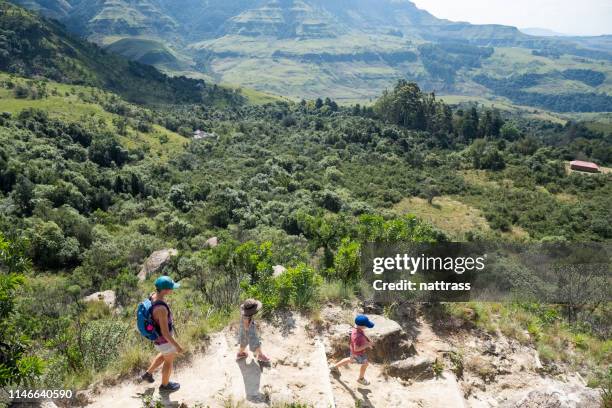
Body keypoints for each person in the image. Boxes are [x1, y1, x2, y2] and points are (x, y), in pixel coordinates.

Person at [140, 276, 184, 392]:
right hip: (164, 341)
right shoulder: (161, 309)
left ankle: (147, 374)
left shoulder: (153, 295)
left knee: (164, 355)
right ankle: (165, 386)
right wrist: (177, 346)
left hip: (158, 340)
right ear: (164, 290)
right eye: (171, 288)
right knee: (169, 361)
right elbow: (165, 332)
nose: (172, 290)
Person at [330, 314, 375, 385]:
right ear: (361, 326)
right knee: (365, 364)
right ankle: (361, 379)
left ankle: (334, 367)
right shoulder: (357, 336)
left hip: (353, 352)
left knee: (350, 359)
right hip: (358, 353)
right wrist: (367, 345)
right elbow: (356, 349)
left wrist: (367, 341)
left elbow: (363, 335)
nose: (367, 327)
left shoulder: (356, 328)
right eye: (366, 325)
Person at [236, 298, 270, 363]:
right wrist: (250, 332)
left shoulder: (245, 313)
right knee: (256, 342)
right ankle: (260, 355)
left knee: (243, 342)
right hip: (248, 331)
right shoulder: (246, 317)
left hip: (243, 329)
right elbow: (246, 327)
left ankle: (240, 353)